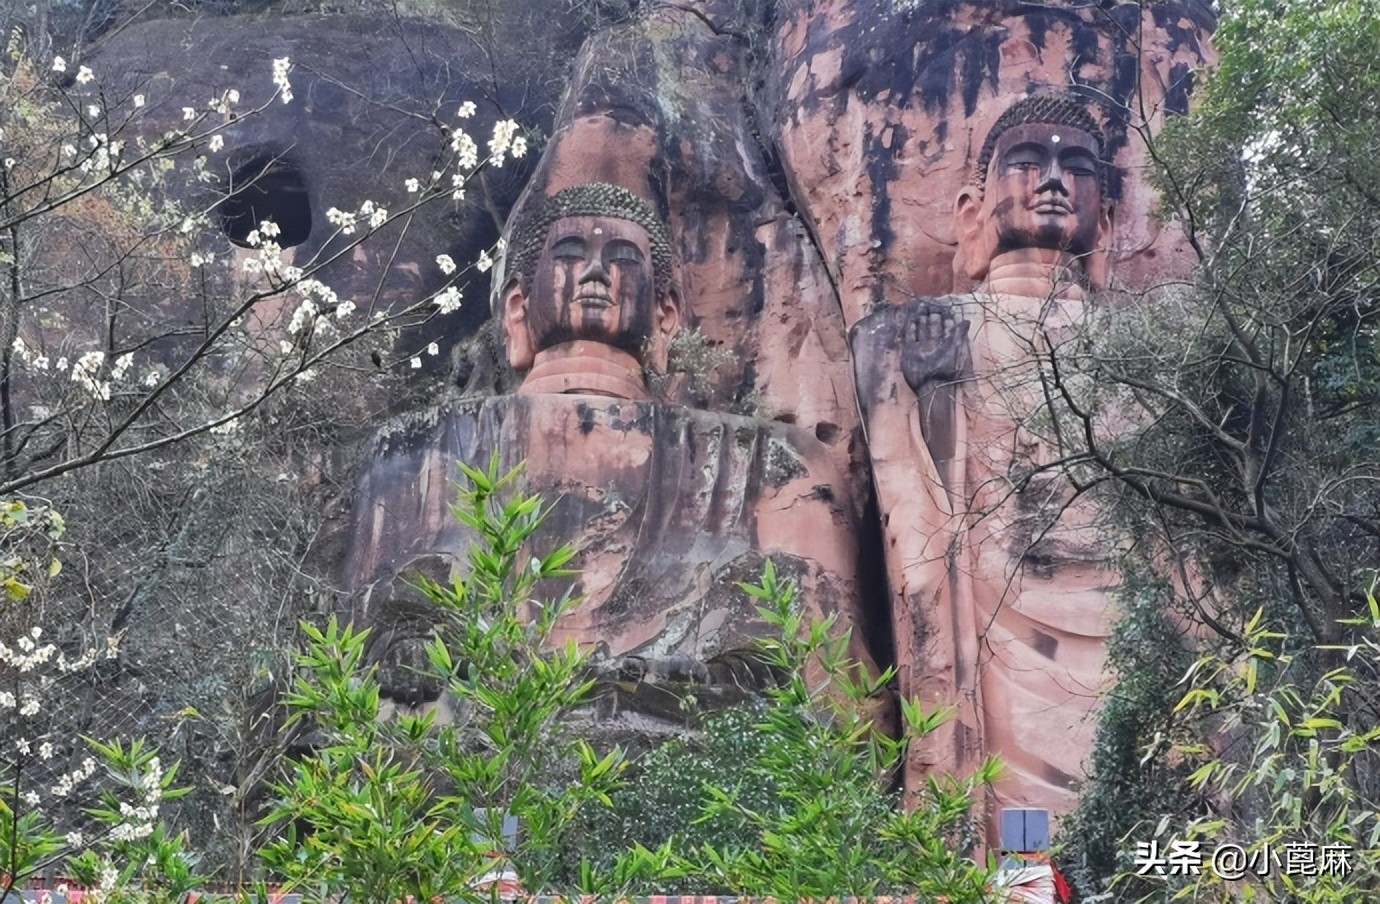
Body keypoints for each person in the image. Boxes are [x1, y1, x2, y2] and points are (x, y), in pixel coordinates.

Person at [851, 92, 1117, 833]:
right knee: (1013, 832)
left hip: (1122, 623)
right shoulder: (909, 334)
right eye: (1028, 162)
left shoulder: (1155, 349)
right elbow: (913, 527)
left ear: (1106, 219)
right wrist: (927, 383)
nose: (1054, 180)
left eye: (1076, 166)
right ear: (972, 211)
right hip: (990, 626)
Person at [499, 182, 681, 399]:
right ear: (517, 306)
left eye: (624, 257)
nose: (595, 269)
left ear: (666, 315)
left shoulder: (683, 421)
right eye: (569, 254)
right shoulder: (481, 417)